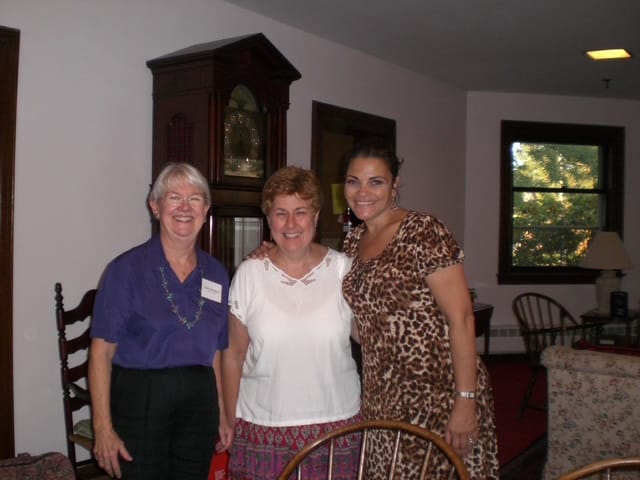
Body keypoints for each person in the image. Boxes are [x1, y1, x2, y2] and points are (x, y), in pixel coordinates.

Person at [340, 140, 498, 479]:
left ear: (395, 185)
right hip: (382, 392)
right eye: (354, 181)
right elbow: (362, 320)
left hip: (437, 390)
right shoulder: (352, 242)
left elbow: (461, 318)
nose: (362, 192)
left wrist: (465, 401)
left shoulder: (424, 230)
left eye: (375, 182)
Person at [88, 163, 231, 479]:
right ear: (155, 206)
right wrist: (102, 428)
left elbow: (216, 353)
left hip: (199, 403)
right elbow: (101, 353)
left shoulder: (217, 273)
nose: (184, 207)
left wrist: (222, 412)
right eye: (174, 197)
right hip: (141, 400)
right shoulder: (126, 269)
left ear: (206, 209)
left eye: (195, 198)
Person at [222, 166, 361, 480]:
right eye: (281, 213)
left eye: (300, 212)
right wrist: (229, 418)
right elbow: (233, 354)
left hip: (337, 425)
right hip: (262, 426)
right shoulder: (249, 274)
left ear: (316, 216)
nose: (291, 224)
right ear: (269, 219)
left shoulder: (344, 270)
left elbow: (368, 336)